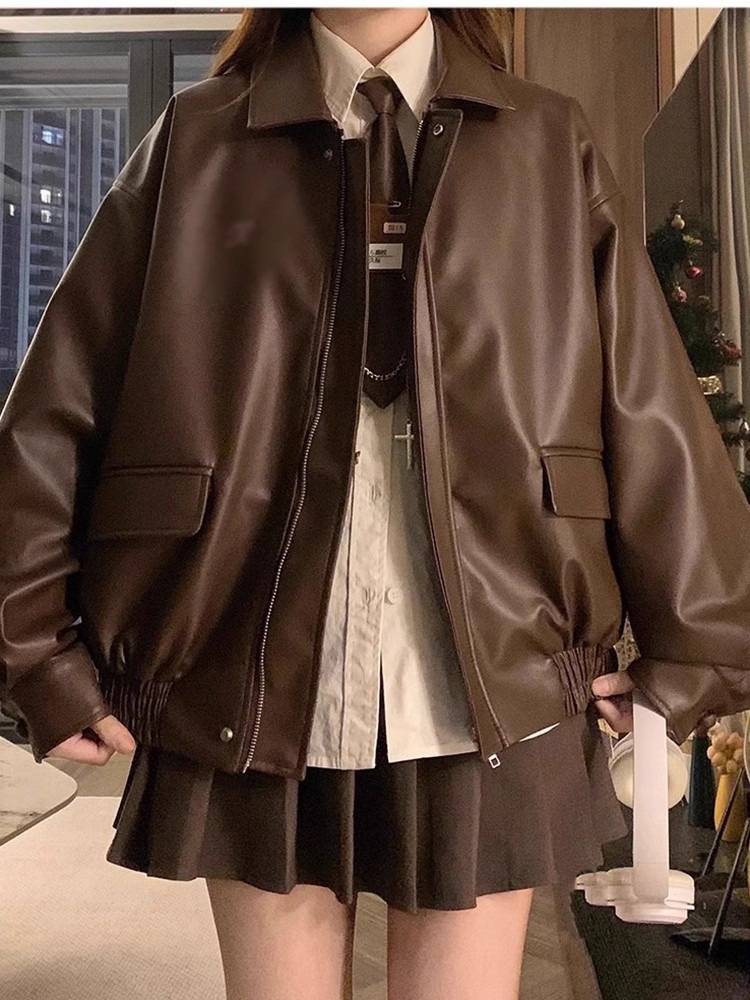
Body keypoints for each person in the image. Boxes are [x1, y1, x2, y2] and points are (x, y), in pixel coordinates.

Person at [1, 7, 748, 1000]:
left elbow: (644, 399)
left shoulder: (544, 138)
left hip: (494, 672)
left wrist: (694, 648)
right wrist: (37, 657)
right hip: (245, 665)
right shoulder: (200, 136)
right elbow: (60, 405)